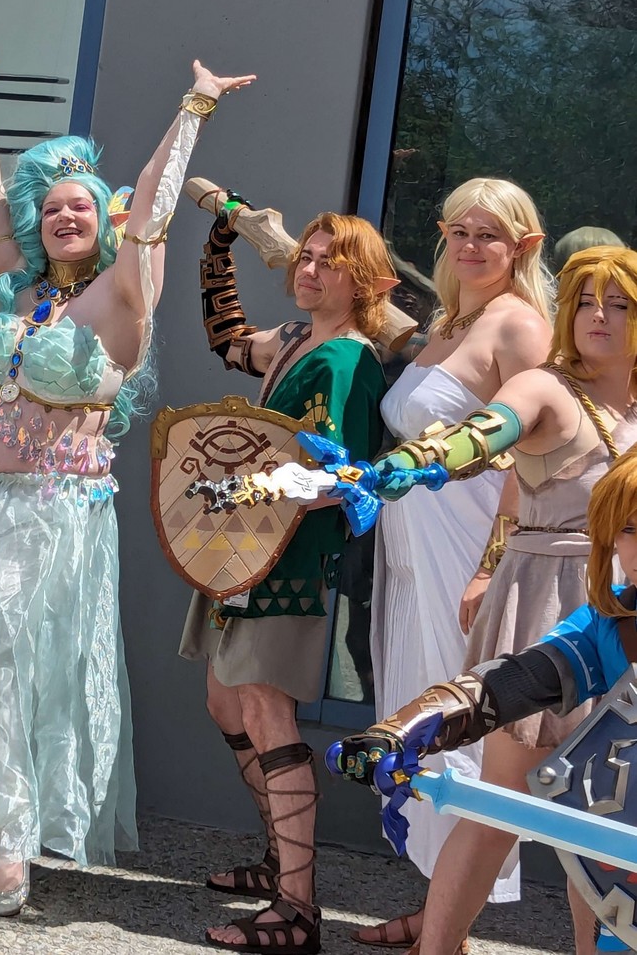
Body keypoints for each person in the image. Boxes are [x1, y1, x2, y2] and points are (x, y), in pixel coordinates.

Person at [0, 50, 253, 915]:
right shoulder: (13, 285)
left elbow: (156, 205)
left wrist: (194, 106)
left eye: (81, 204)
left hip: (42, 510)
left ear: (105, 218)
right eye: (51, 206)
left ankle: (7, 847)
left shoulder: (122, 293)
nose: (64, 215)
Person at [328, 244, 637, 955]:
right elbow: (484, 433)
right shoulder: (544, 386)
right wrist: (415, 462)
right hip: (550, 601)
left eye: (619, 303)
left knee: (605, 810)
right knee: (505, 796)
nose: (598, 315)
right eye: (585, 302)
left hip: (625, 606)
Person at [180, 204, 397, 953]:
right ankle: (280, 856)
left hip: (287, 558)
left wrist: (250, 491)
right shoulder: (300, 339)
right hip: (245, 548)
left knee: (266, 712)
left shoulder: (348, 362)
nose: (309, 269)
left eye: (330, 262)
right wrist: (221, 241)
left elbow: (340, 476)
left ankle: (297, 909)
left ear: (367, 282)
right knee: (226, 701)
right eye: (305, 255)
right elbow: (228, 338)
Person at [358, 179, 553, 948]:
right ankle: (437, 909)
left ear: (523, 245)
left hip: (465, 551)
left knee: (460, 730)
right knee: (420, 723)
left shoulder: (520, 325)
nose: (472, 246)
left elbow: (533, 458)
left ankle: (450, 931)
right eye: (461, 231)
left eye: (489, 234)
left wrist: (489, 567)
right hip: (413, 548)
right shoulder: (448, 321)